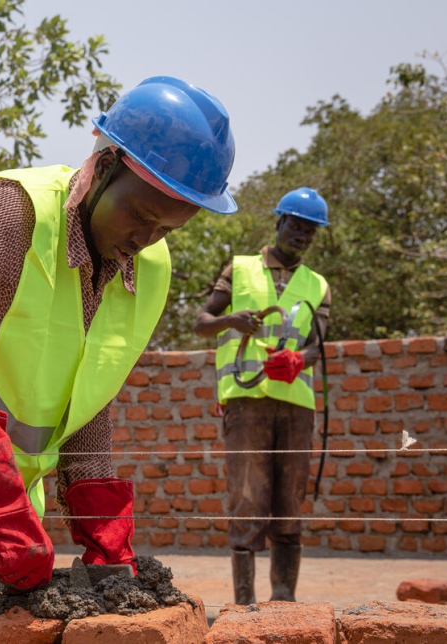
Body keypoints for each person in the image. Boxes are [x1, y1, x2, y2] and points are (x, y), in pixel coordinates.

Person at [0, 76, 238, 591]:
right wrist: (0, 503)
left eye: (166, 229)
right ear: (103, 167)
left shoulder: (147, 267)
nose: (145, 239)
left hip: (2, 484)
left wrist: (100, 519)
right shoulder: (11, 212)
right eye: (140, 216)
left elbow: (88, 394)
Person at [193, 187, 331, 604]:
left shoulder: (318, 285)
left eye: (310, 231)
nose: (301, 235)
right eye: (296, 225)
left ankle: (284, 601)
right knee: (248, 495)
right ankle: (244, 604)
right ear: (279, 222)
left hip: (295, 404)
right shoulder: (240, 269)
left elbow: (318, 345)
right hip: (245, 399)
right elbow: (202, 322)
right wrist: (232, 318)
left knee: (289, 499)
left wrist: (298, 360)